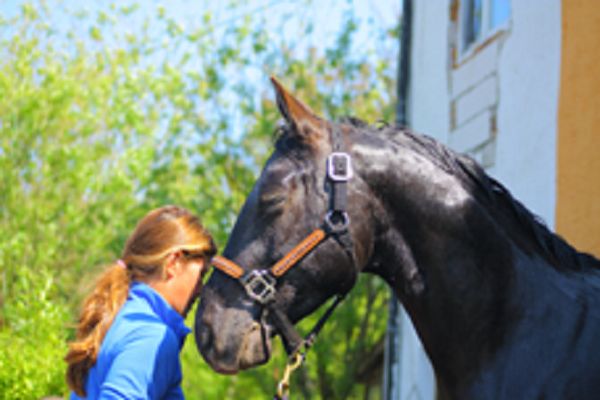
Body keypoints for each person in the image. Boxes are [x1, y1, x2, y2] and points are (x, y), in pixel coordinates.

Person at [65, 205, 216, 399]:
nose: (200, 290)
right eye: (201, 274)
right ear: (173, 263)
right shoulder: (150, 334)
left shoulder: (117, 317)